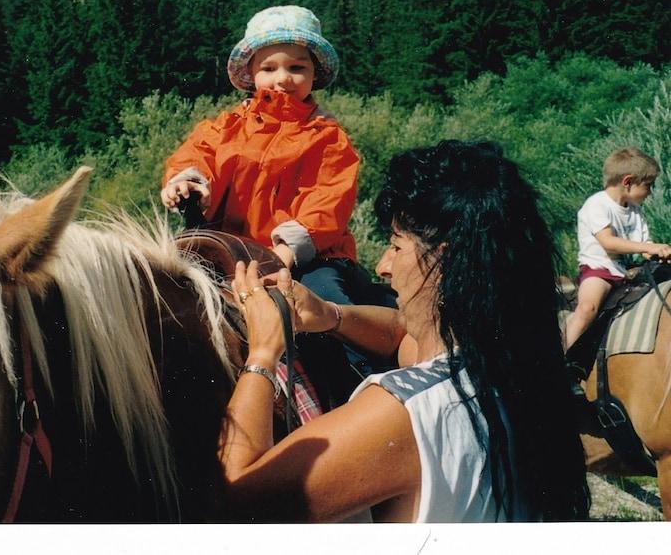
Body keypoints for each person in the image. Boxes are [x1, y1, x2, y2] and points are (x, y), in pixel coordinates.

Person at [219, 140, 589, 522]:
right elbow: (402, 335)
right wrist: (330, 315)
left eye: (396, 246)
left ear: (444, 263)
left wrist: (263, 353)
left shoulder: (400, 412)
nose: (383, 266)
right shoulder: (508, 362)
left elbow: (236, 504)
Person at [160, 5, 383, 309]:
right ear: (251, 73)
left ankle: (361, 357)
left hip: (310, 257)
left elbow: (327, 203)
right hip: (230, 250)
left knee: (327, 304)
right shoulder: (226, 126)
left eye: (296, 68)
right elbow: (198, 154)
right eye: (268, 69)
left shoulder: (327, 136)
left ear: (314, 72)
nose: (283, 80)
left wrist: (283, 255)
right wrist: (186, 182)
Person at [564, 147, 671, 352]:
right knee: (588, 309)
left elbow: (645, 248)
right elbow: (608, 242)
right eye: (649, 185)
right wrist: (651, 247)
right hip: (599, 270)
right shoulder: (597, 205)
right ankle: (560, 362)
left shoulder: (635, 211)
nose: (650, 192)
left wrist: (661, 252)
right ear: (628, 182)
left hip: (625, 272)